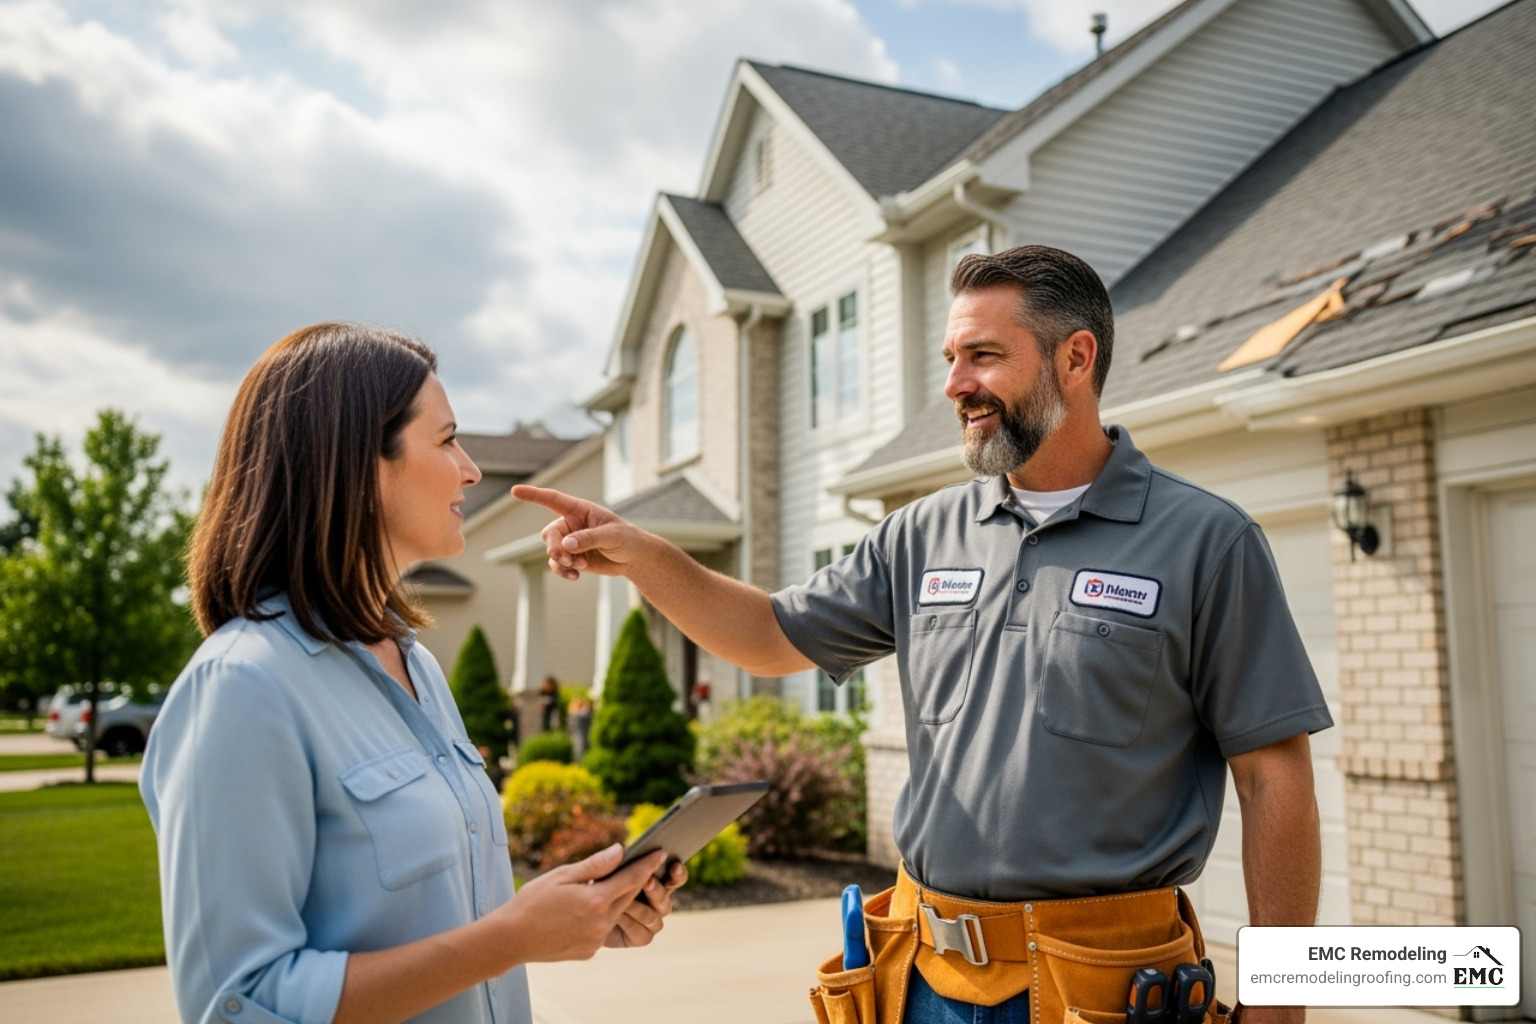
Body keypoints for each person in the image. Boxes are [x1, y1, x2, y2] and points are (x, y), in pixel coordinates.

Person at [517, 247, 1330, 1024]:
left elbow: (1274, 781)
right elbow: (770, 635)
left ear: (1075, 360)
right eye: (950, 358)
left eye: (982, 356)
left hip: (1107, 990)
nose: (954, 385)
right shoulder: (921, 536)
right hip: (921, 980)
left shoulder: (1204, 542)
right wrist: (645, 556)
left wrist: (1279, 1004)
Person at [140, 323, 684, 1024]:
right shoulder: (244, 687)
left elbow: (445, 933)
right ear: (360, 461)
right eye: (447, 438)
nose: (470, 469)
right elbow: (239, 1005)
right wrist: (508, 938)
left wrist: (562, 920)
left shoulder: (418, 668)